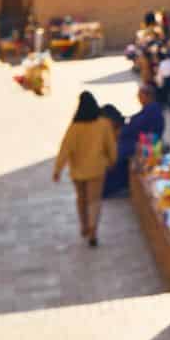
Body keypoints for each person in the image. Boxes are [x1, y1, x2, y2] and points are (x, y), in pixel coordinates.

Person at [54, 91, 117, 247]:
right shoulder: (103, 124)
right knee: (94, 200)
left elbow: (65, 149)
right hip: (97, 169)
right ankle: (93, 230)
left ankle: (84, 226)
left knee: (81, 199)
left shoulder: (74, 127)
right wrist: (112, 161)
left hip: (78, 171)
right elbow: (111, 145)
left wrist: (58, 169)